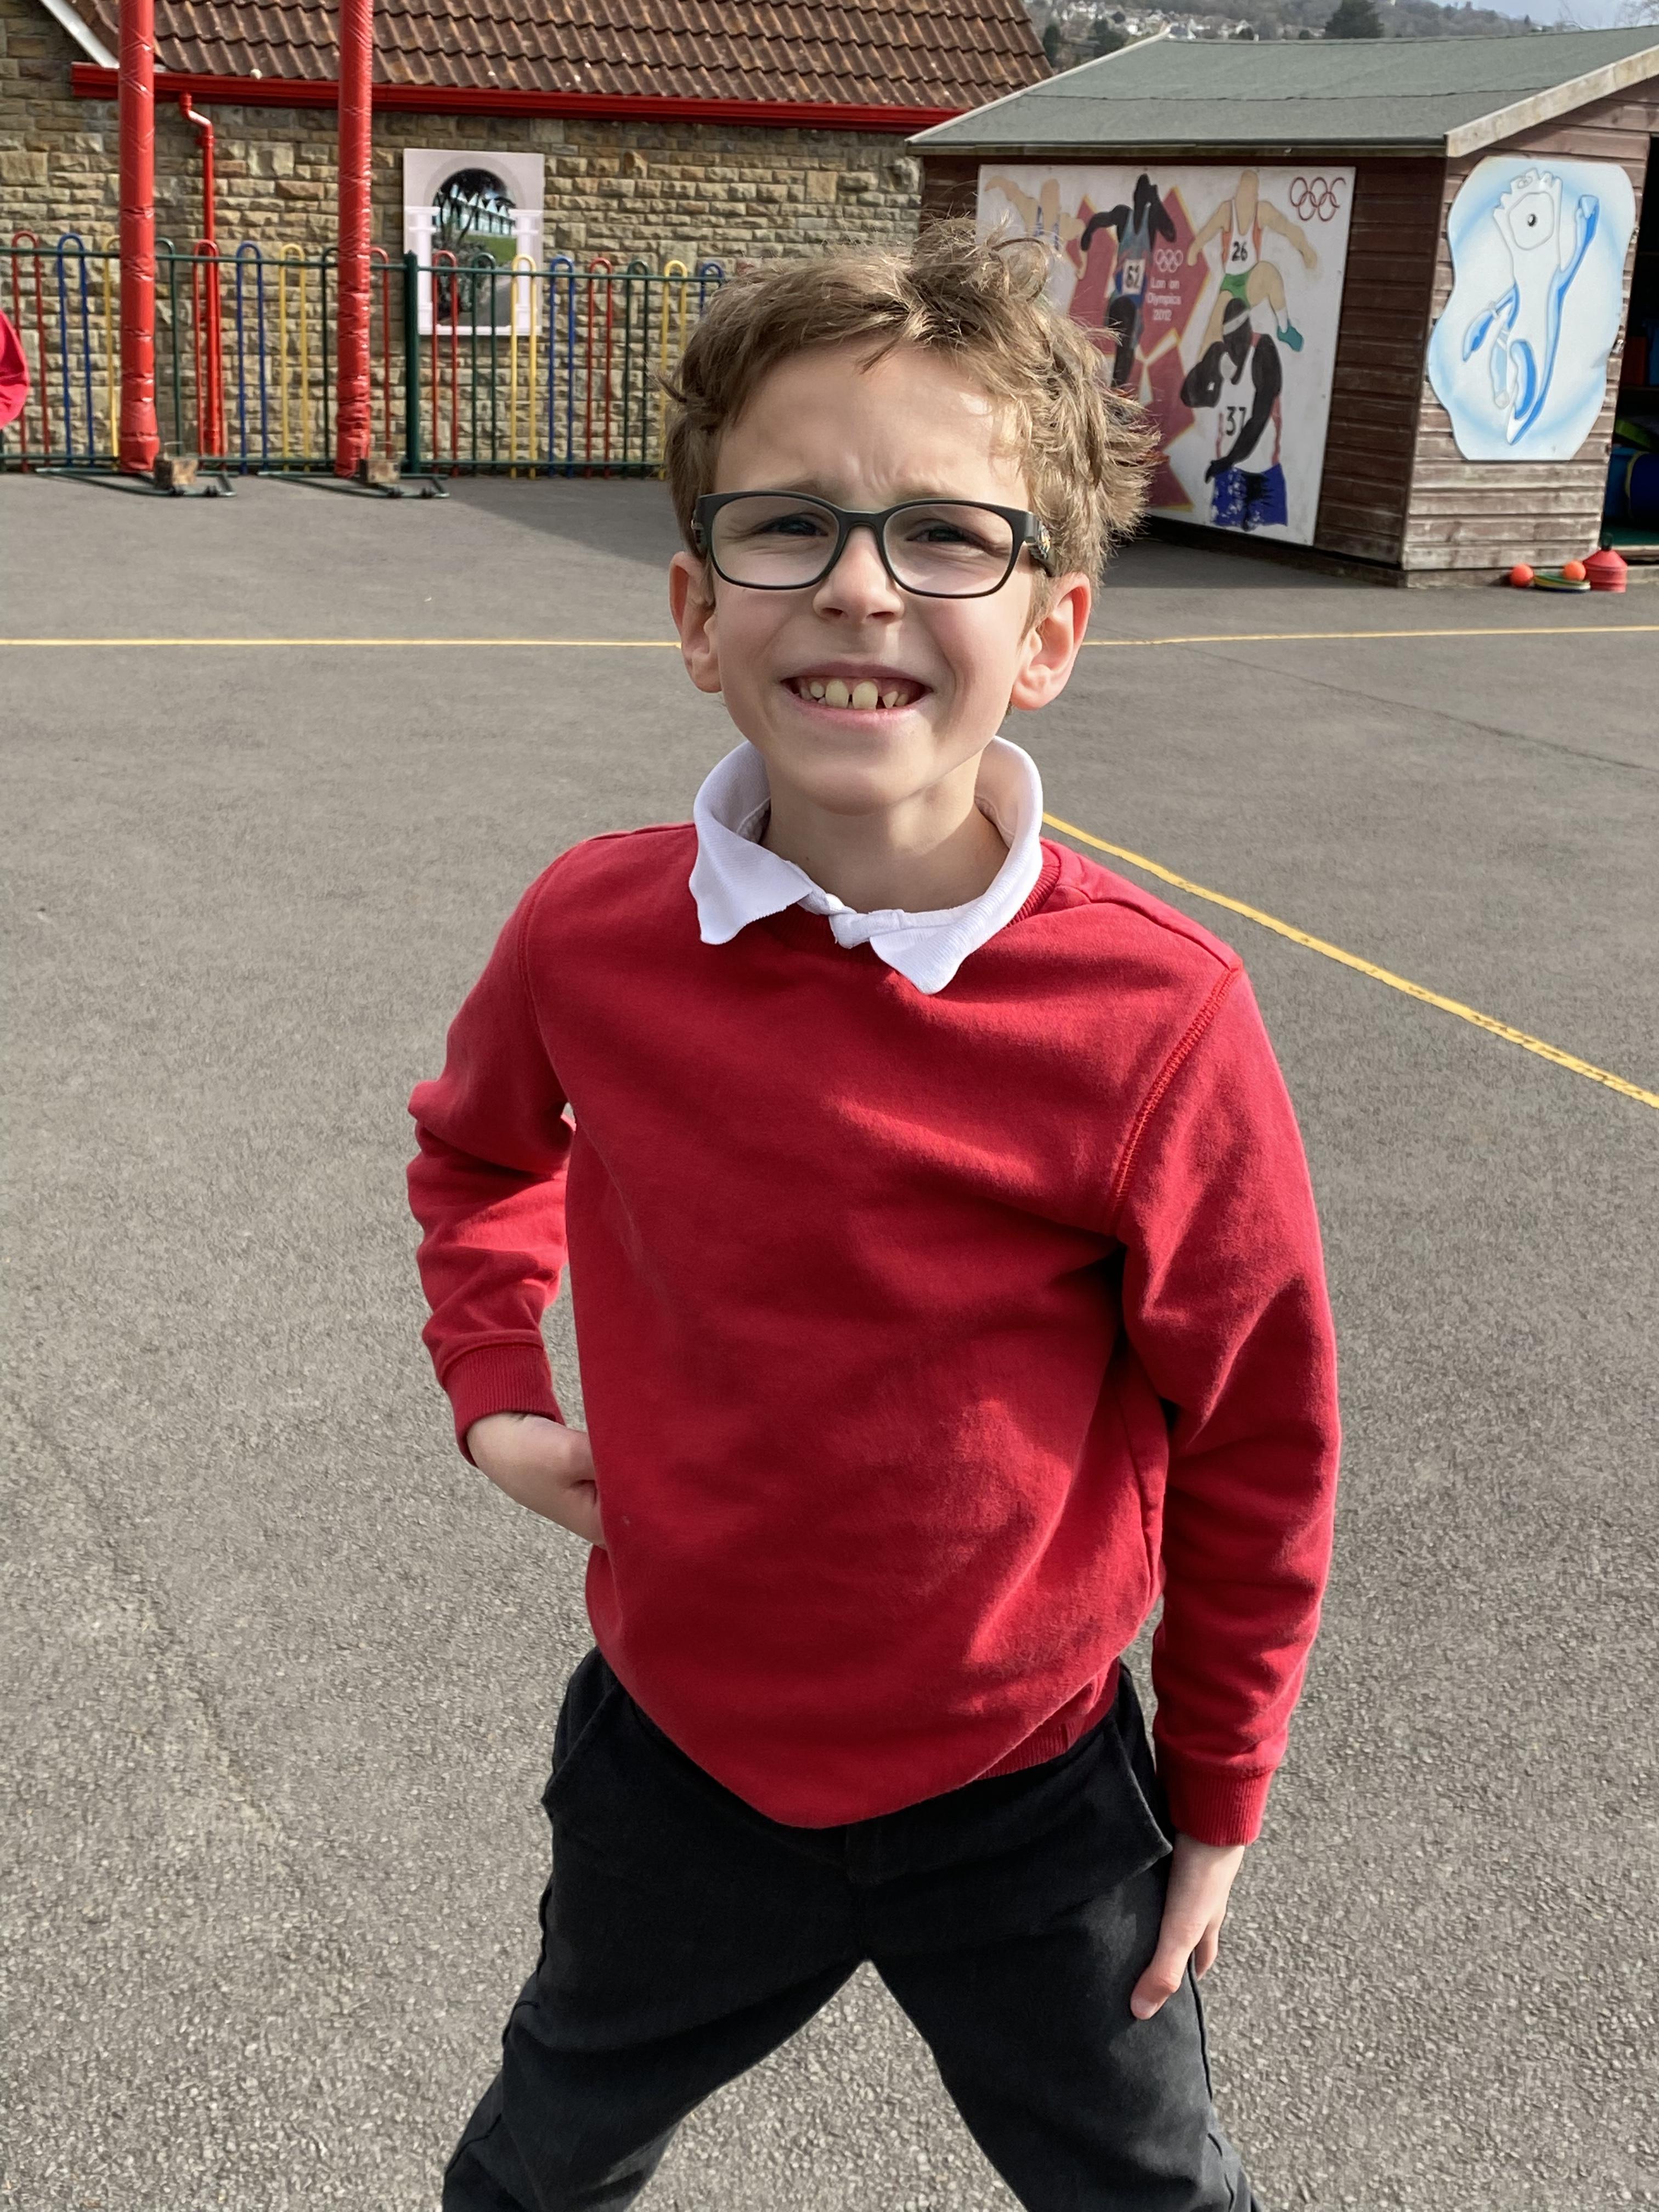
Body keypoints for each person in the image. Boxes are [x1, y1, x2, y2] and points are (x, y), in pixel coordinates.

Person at [408, 221, 1341, 2212]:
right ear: (694, 608)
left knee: (1151, 2193)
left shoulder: (1156, 1015)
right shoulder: (590, 932)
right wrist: (493, 1385)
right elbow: (480, 1155)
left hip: (1029, 1795)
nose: (858, 583)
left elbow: (1258, 1427)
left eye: (943, 535)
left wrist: (1219, 1790)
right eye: (790, 526)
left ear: (1050, 631)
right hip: (680, 1759)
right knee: (538, 2171)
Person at [1181, 294, 1289, 534]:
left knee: (1270, 533)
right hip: (1229, 470)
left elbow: (1259, 417)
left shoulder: (1263, 350)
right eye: (1229, 341)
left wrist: (1228, 460)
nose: (1235, 348)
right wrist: (1209, 377)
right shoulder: (1222, 355)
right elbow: (1189, 396)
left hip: (1261, 470)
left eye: (1238, 340)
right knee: (1221, 533)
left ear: (1248, 329)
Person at [1187, 168, 1316, 356]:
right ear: (1238, 192)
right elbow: (1205, 234)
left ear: (1256, 195)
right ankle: (1205, 369)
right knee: (1212, 336)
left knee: (1270, 272)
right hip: (1231, 285)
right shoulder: (1227, 211)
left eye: (1251, 194)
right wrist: (1192, 253)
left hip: (1251, 280)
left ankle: (1284, 328)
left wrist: (1306, 250)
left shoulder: (1262, 211)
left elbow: (1288, 228)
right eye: (1243, 192)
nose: (1246, 199)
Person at [1080, 173, 1178, 389]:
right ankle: (1116, 393)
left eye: (1145, 196)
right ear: (1133, 195)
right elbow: (1100, 219)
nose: (1141, 199)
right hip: (1120, 299)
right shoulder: (1123, 215)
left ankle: (1117, 392)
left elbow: (1171, 233)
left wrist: (1156, 199)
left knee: (1127, 350)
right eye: (1139, 194)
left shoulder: (1151, 221)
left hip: (1135, 304)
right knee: (1126, 346)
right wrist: (1088, 234)